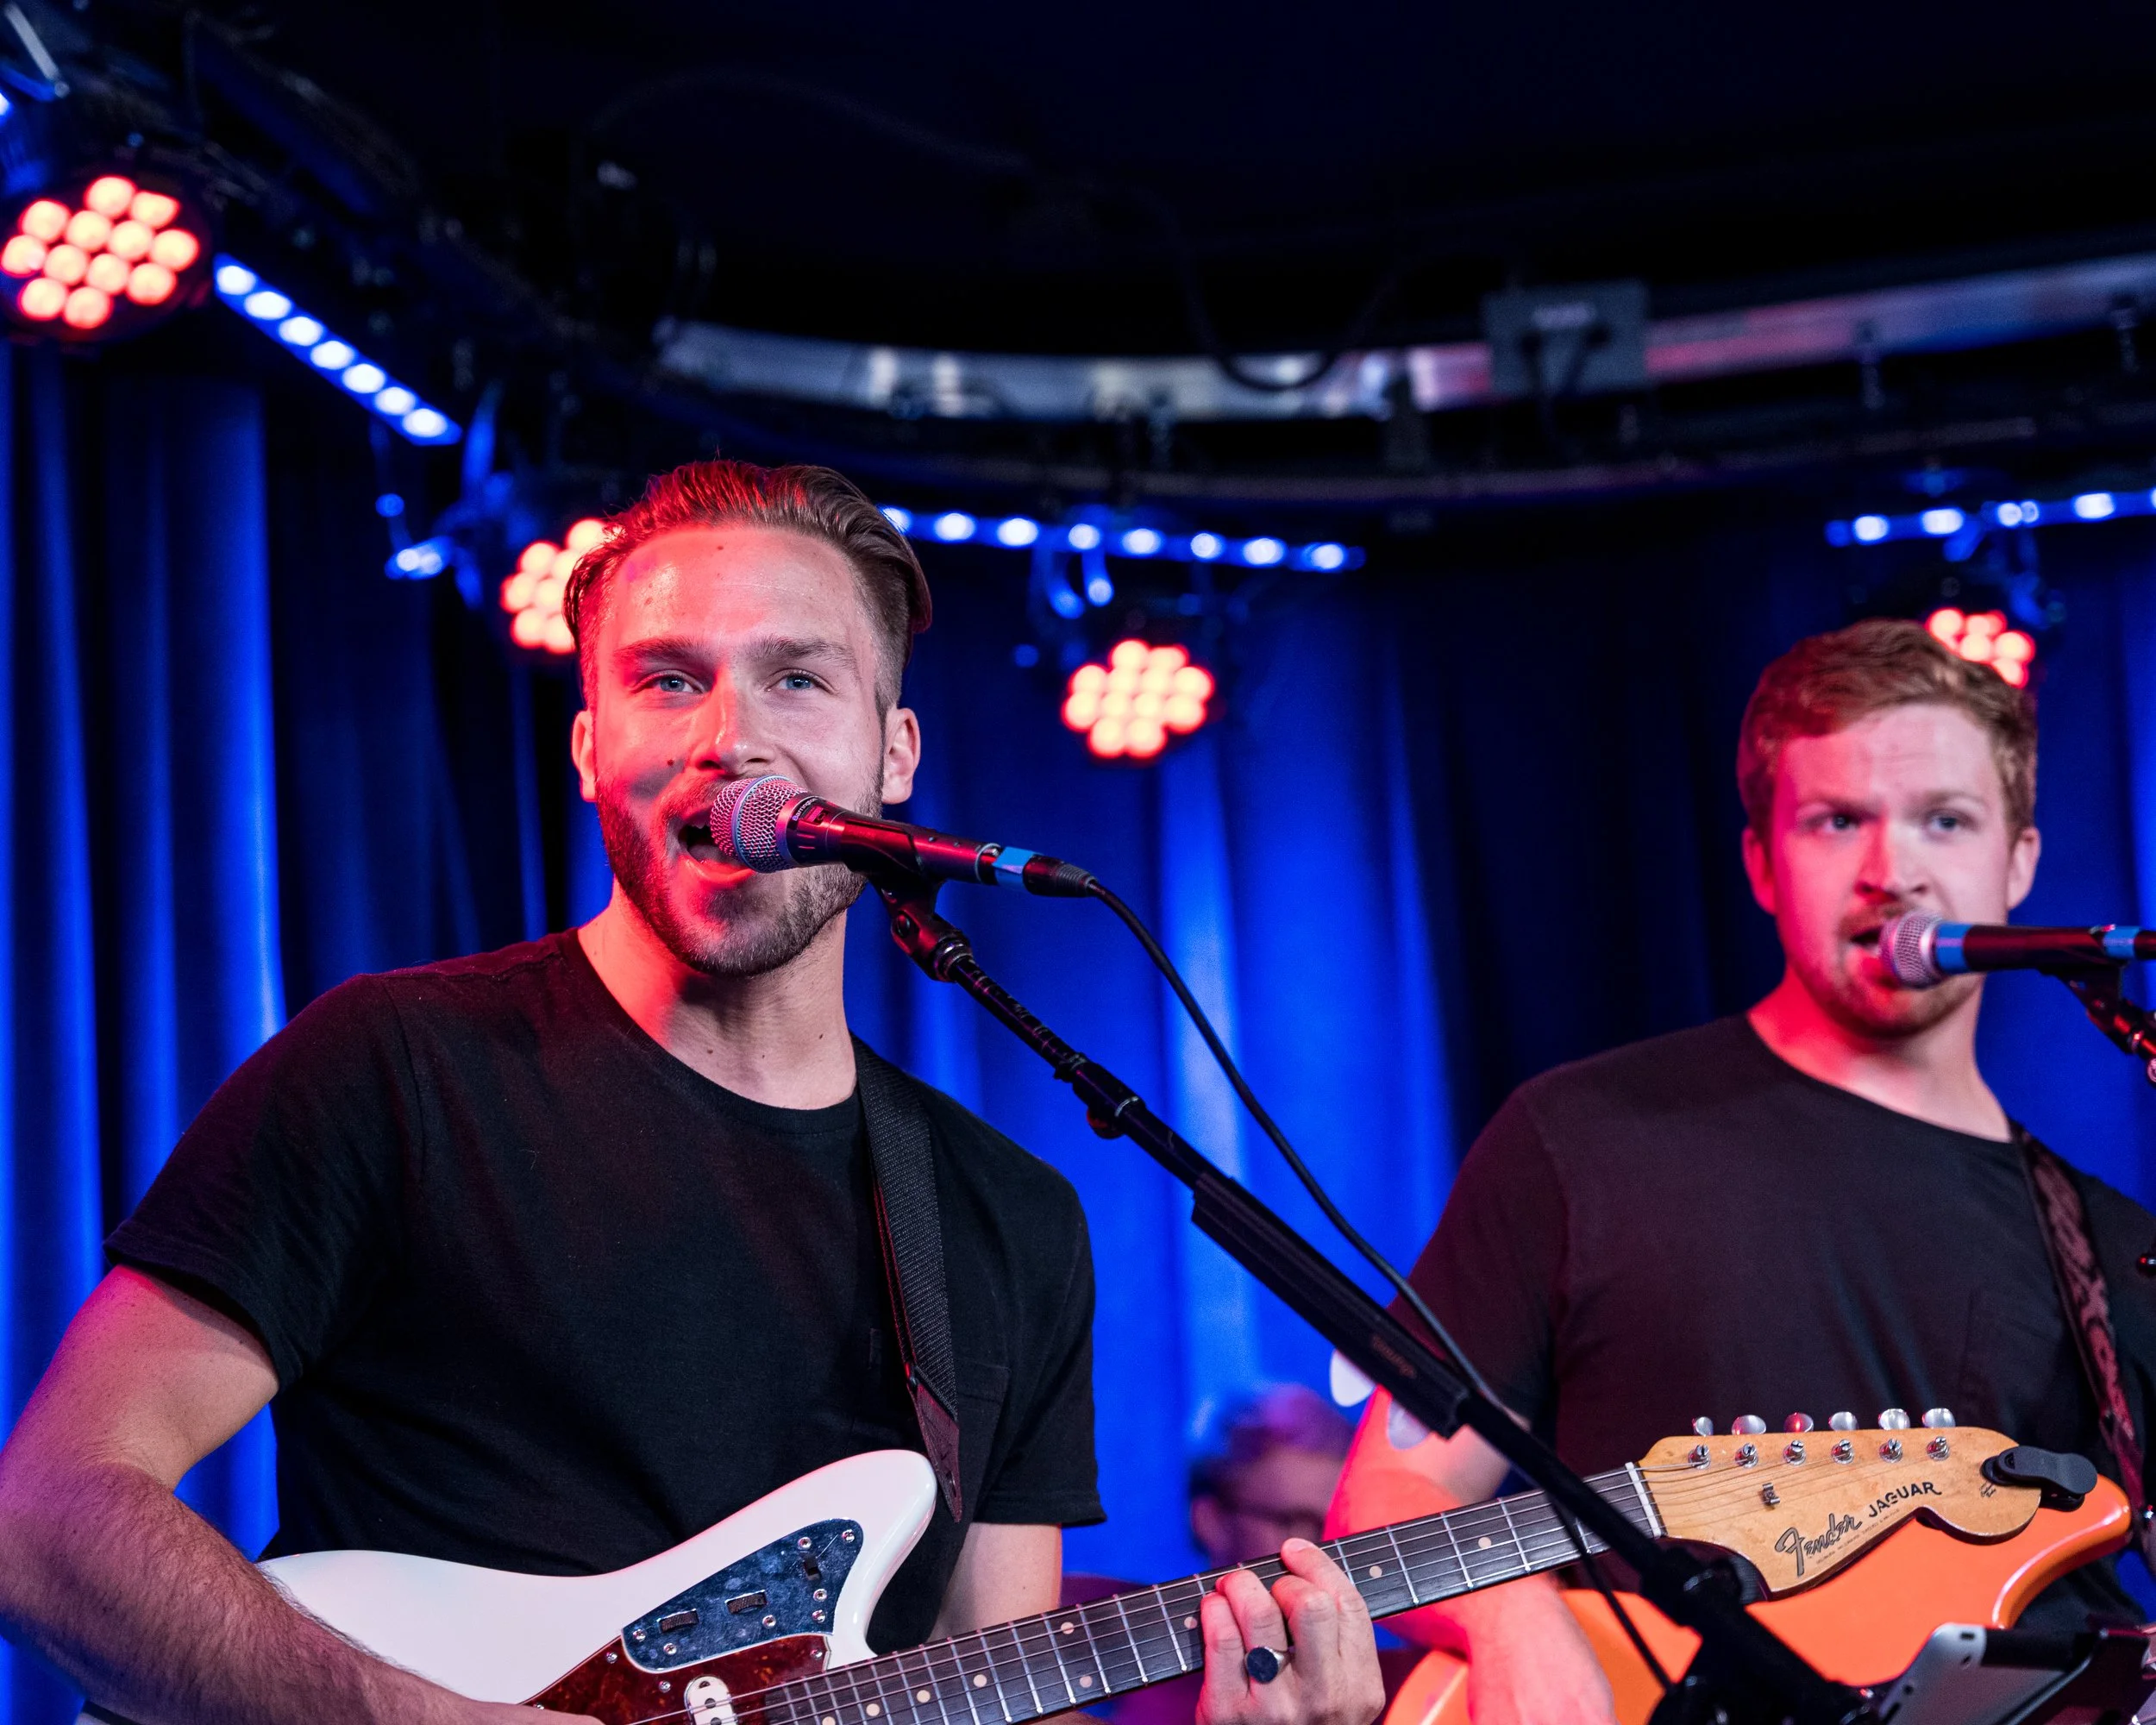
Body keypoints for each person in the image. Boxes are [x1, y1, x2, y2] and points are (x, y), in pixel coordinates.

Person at [0, 460, 1386, 1725]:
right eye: (669, 681)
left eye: (799, 680)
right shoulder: (393, 1070)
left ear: (894, 757)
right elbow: (48, 1516)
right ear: (590, 748)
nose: (732, 737)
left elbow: (992, 1684)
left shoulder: (1004, 1220)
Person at [1328, 617, 2156, 1725]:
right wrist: (1513, 1612)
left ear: (2018, 863)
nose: (1892, 872)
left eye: (1944, 820)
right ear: (1762, 862)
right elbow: (1392, 1490)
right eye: (1836, 820)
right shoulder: (1583, 1136)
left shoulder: (2107, 1246)